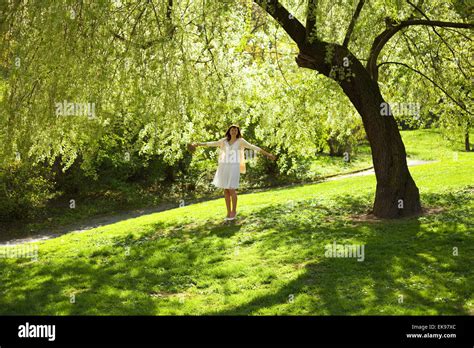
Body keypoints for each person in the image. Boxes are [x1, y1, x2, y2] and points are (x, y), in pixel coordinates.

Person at [189, 124, 276, 221]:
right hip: (224, 166)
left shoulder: (240, 141)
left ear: (238, 132)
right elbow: (212, 143)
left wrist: (268, 154)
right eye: (232, 130)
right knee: (226, 190)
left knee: (231, 189)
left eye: (235, 130)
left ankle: (234, 211)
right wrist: (198, 144)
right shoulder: (224, 141)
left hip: (234, 167)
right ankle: (228, 212)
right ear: (229, 131)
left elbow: (253, 147)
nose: (233, 131)